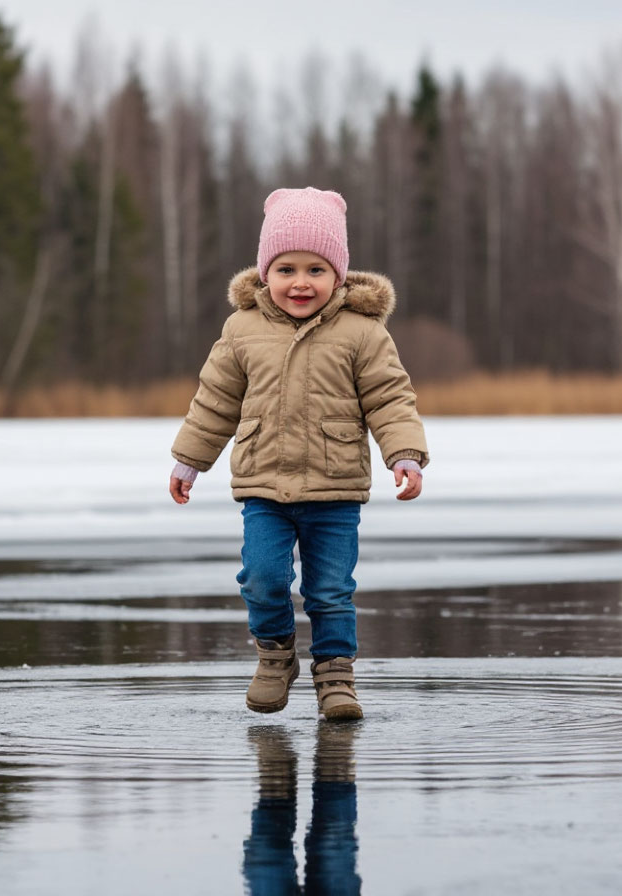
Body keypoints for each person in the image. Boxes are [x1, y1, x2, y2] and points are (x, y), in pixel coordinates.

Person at [169, 186, 428, 721]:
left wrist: (404, 452)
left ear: (339, 275)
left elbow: (389, 397)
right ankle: (275, 655)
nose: (300, 282)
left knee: (331, 590)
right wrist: (189, 460)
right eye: (286, 269)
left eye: (316, 269)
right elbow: (215, 401)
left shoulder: (362, 332)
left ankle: (335, 677)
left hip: (335, 490)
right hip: (265, 486)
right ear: (266, 272)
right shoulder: (241, 330)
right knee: (262, 578)